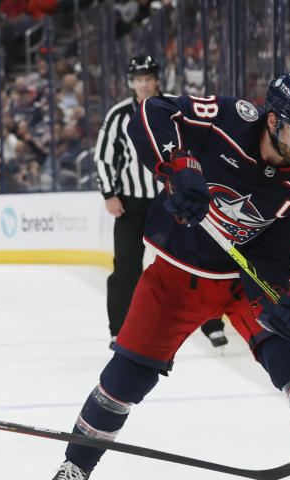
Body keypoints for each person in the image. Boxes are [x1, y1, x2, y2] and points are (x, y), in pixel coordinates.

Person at [42, 72, 290, 480]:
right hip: (178, 277)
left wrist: (280, 304)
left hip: (245, 281)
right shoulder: (228, 119)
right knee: (128, 374)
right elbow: (152, 112)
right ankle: (76, 465)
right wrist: (178, 166)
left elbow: (277, 261)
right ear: (273, 122)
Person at [94, 55, 227, 349]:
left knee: (193, 260)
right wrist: (109, 194)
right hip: (130, 204)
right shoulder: (118, 115)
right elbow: (104, 157)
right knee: (126, 268)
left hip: (171, 201)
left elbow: (194, 147)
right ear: (132, 82)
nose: (143, 84)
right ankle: (119, 330)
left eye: (148, 78)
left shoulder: (174, 108)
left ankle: (212, 325)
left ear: (157, 80)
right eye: (138, 79)